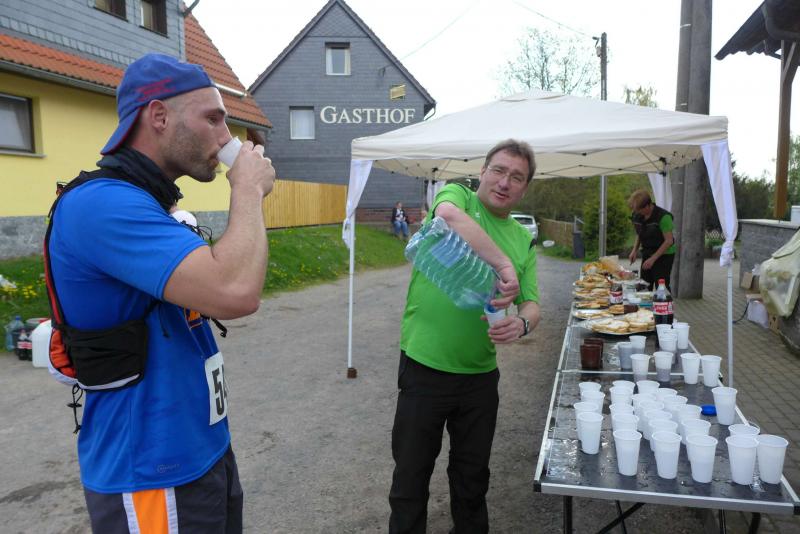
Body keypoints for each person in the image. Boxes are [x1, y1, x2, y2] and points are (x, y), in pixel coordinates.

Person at [47, 53, 275, 532]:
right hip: (151, 472)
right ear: (158, 116)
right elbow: (236, 291)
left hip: (201, 450)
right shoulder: (102, 204)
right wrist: (248, 190)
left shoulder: (148, 203)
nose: (226, 137)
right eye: (213, 118)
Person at [389, 139, 541, 533]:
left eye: (517, 177)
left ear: (525, 188)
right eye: (499, 170)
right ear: (483, 172)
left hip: (479, 378)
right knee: (410, 481)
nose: (505, 182)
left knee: (471, 483)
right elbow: (448, 217)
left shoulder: (522, 239)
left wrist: (522, 323)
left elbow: (532, 304)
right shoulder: (458, 196)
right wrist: (502, 264)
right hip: (424, 367)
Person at [627, 189, 675, 291]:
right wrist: (634, 250)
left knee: (662, 287)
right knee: (644, 285)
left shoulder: (663, 217)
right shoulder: (637, 215)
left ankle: (663, 301)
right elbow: (640, 233)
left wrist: (653, 259)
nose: (637, 213)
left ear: (647, 206)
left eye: (639, 210)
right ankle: (645, 301)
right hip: (647, 252)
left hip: (664, 255)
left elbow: (669, 241)